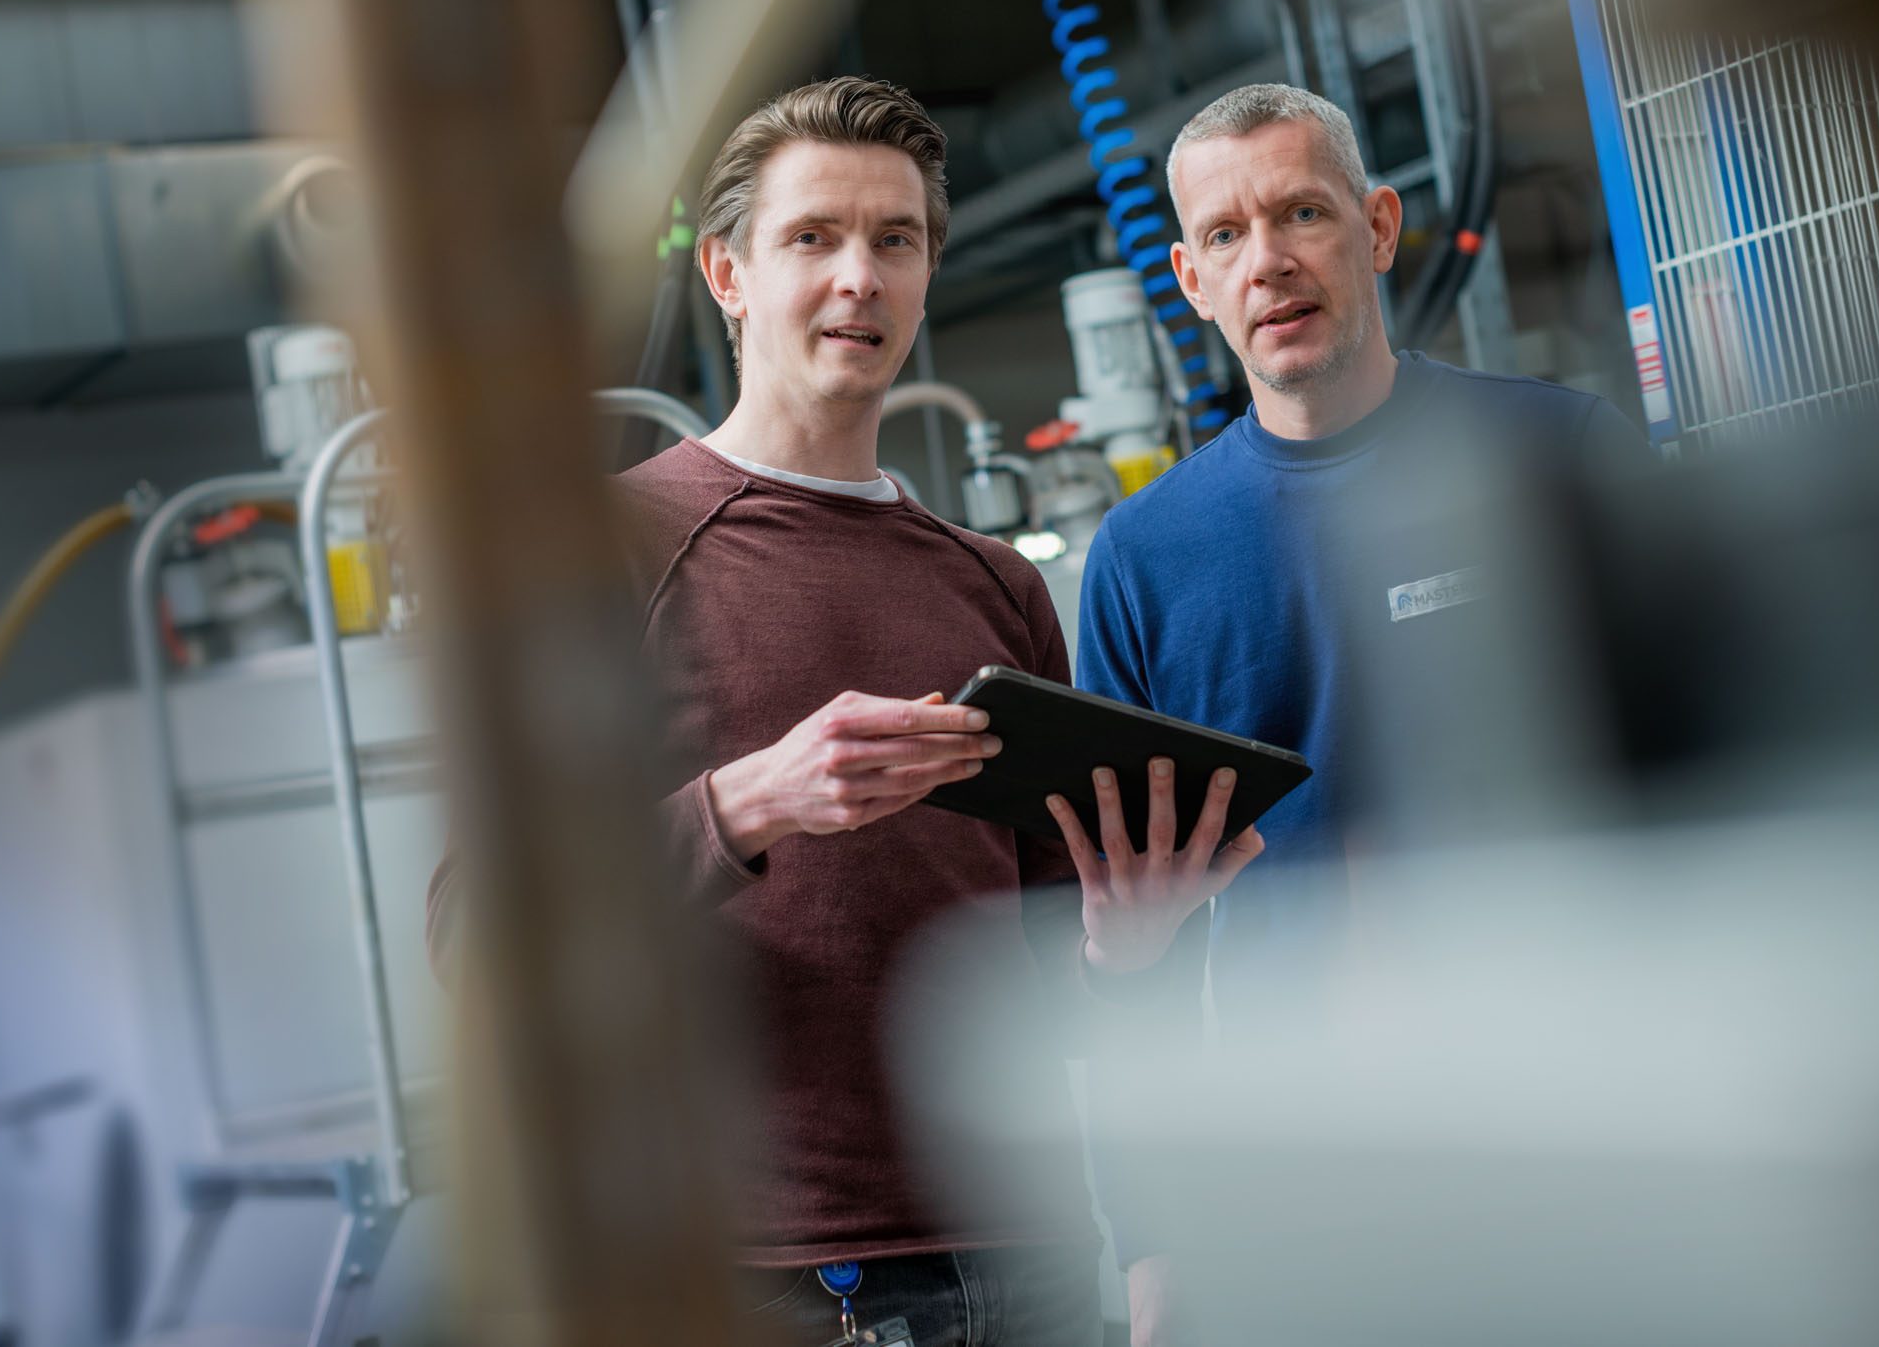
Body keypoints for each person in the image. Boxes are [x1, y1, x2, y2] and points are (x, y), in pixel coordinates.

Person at [435, 76, 1260, 1346]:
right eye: (812, 236)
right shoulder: (608, 546)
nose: (859, 278)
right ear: (727, 270)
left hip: (1029, 1253)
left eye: (896, 240)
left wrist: (1123, 950)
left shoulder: (993, 584)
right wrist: (748, 799)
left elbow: (1061, 989)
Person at [1074, 83, 1645, 1344]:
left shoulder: (1559, 457)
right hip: (1312, 1164)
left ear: (1378, 226)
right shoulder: (1145, 557)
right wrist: (1152, 1239)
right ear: (1188, 276)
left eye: (1302, 212)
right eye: (1223, 235)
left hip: (1586, 1125)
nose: (1267, 258)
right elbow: (1129, 949)